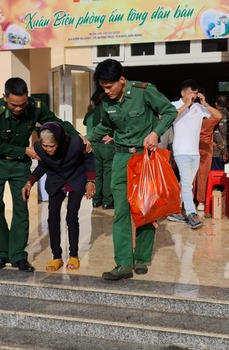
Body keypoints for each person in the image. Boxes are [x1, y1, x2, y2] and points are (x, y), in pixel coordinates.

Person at [86, 58, 177, 281]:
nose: (106, 91)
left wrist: (156, 132)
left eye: (109, 86)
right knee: (121, 213)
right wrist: (87, 138)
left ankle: (141, 258)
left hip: (144, 159)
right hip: (120, 160)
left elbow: (169, 112)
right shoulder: (107, 103)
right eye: (102, 87)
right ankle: (123, 263)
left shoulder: (144, 92)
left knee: (145, 209)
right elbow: (106, 126)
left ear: (122, 80)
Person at [0, 77, 86, 273]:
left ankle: (18, 255)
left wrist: (78, 134)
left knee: (21, 206)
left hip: (19, 165)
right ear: (4, 97)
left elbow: (57, 122)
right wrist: (26, 150)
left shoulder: (36, 107)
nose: (18, 109)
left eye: (22, 104)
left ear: (27, 98)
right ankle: (3, 253)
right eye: (13, 105)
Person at [23, 122, 96, 272]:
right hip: (56, 179)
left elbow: (89, 158)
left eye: (52, 146)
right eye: (45, 146)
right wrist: (30, 181)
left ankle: (74, 256)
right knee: (53, 218)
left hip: (76, 177)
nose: (48, 150)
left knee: (71, 216)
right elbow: (43, 165)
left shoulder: (76, 143)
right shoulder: (38, 148)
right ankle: (56, 256)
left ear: (60, 140)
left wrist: (90, 180)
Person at [166, 81, 216, 228]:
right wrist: (186, 105)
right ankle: (191, 213)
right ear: (183, 93)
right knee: (187, 184)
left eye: (195, 93)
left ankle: (174, 211)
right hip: (181, 152)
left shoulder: (199, 108)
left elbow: (217, 115)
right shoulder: (174, 105)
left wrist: (205, 104)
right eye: (190, 93)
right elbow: (170, 117)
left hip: (195, 153)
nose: (193, 96)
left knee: (185, 184)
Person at [83, 91, 115, 210]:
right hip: (107, 145)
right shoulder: (106, 111)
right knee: (108, 173)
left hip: (93, 146)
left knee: (96, 173)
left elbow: (86, 122)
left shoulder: (90, 114)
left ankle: (96, 200)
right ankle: (107, 201)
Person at [193, 89, 223, 214]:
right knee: (203, 176)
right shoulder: (207, 116)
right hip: (205, 148)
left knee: (190, 176)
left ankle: (189, 201)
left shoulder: (190, 115)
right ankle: (200, 201)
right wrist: (205, 104)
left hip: (192, 148)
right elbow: (219, 116)